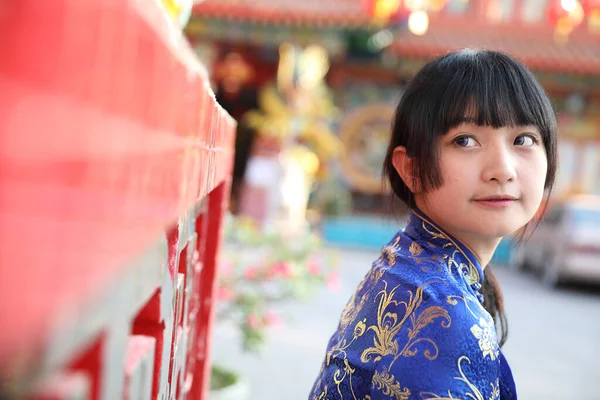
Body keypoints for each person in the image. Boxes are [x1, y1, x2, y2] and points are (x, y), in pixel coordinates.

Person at [309, 49, 557, 400]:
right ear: (410, 168)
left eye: (523, 140)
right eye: (465, 140)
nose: (503, 169)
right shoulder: (446, 317)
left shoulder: (406, 262)